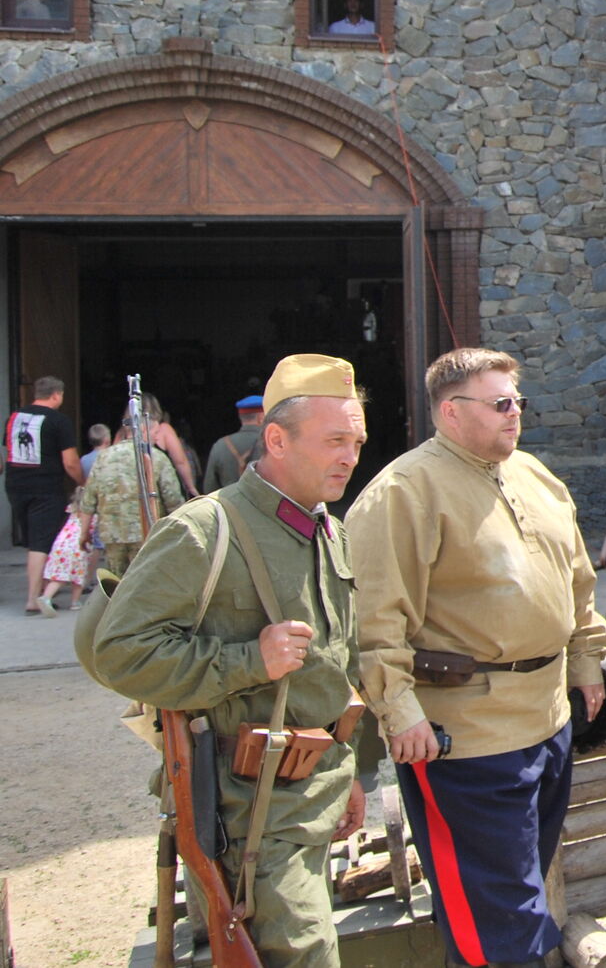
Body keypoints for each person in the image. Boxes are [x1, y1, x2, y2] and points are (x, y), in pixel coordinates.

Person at [90, 354, 371, 968]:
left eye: (356, 442)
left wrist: (347, 771)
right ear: (276, 439)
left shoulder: (329, 530)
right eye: (334, 441)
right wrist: (249, 660)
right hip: (251, 811)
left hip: (315, 792)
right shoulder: (203, 531)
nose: (350, 457)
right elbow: (120, 653)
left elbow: (336, 668)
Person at [349, 348, 606, 968]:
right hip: (464, 738)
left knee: (519, 891)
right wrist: (398, 711)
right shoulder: (402, 493)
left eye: (517, 401)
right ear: (451, 412)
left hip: (547, 721)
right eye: (499, 403)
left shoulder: (535, 475)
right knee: (497, 922)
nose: (514, 413)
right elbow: (374, 622)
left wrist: (585, 658)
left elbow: (577, 579)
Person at [73, 412, 186, 578]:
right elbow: (173, 499)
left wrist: (83, 532)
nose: (157, 437)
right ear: (144, 430)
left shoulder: (104, 457)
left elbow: (88, 499)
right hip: (146, 531)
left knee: (116, 582)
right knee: (144, 580)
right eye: (155, 432)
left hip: (112, 534)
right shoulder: (157, 457)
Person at [6, 375, 83, 615]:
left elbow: (6, 449)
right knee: (41, 542)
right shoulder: (59, 421)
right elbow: (70, 462)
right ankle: (33, 599)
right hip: (45, 488)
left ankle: (40, 590)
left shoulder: (14, 417)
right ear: (57, 395)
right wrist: (84, 483)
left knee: (32, 541)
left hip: (15, 486)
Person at [142, 392, 201, 499]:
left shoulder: (123, 432)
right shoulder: (164, 429)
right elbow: (180, 461)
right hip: (161, 490)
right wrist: (191, 488)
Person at [204, 394, 267, 493]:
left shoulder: (220, 445)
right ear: (261, 418)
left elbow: (209, 486)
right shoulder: (275, 444)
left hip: (228, 501)